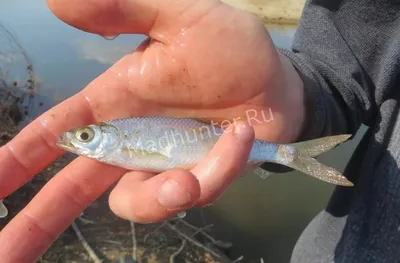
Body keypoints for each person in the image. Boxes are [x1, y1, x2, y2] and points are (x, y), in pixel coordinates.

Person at [0, 0, 398, 262]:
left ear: (110, 136)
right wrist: (297, 96)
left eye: (85, 136)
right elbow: (348, 66)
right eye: (84, 137)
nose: (77, 141)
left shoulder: (123, 139)